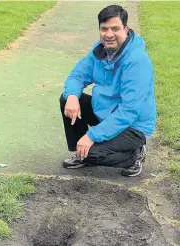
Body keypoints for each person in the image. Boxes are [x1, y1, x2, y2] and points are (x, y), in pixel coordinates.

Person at [60, 5, 156, 177]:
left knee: (93, 153)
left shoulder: (137, 61)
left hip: (133, 126)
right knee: (67, 99)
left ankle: (134, 154)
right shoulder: (99, 51)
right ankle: (81, 154)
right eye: (104, 29)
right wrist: (73, 96)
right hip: (106, 113)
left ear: (126, 29)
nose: (109, 34)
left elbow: (129, 111)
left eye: (115, 28)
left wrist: (92, 136)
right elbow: (77, 75)